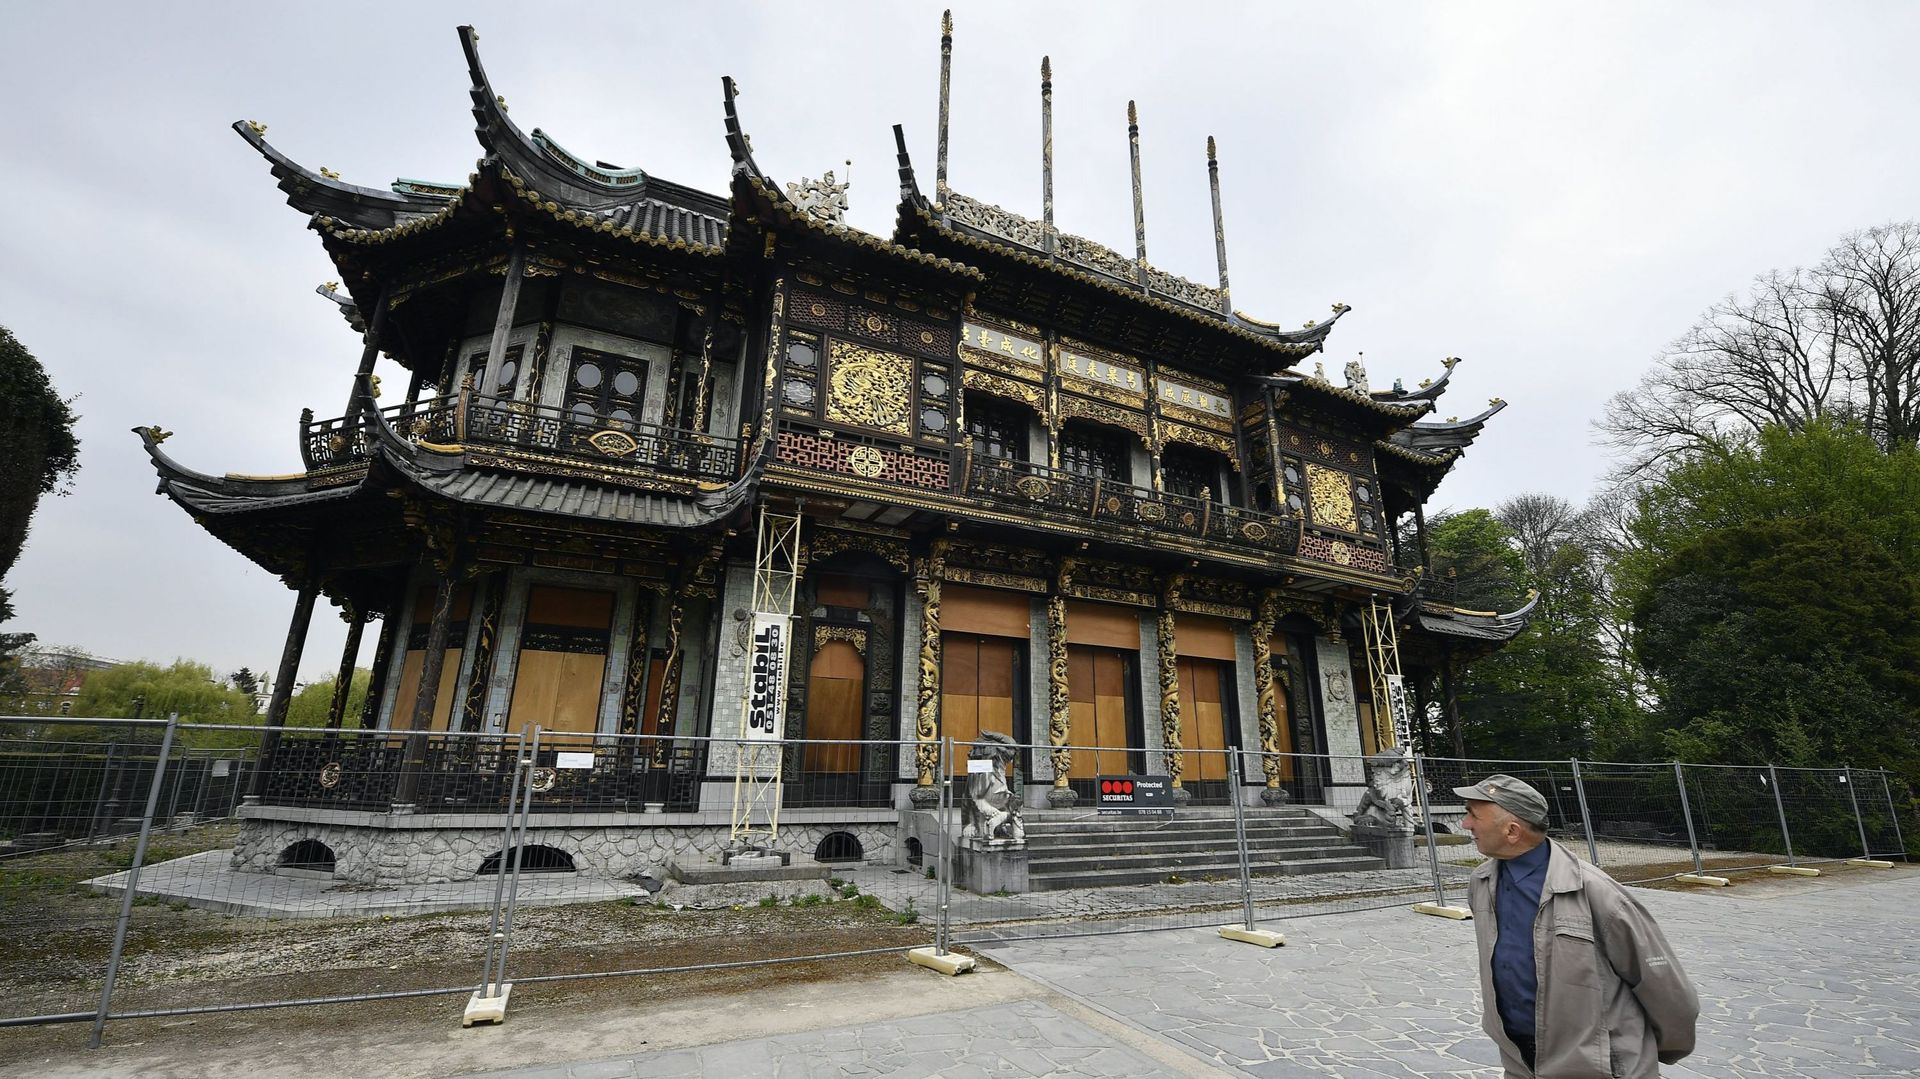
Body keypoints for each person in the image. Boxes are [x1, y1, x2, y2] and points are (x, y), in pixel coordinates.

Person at [1454, 774, 1699, 1078]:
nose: (1465, 824)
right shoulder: (1482, 882)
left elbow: (1666, 988)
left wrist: (1640, 1055)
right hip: (1520, 1064)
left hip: (1601, 1070)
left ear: (1512, 831)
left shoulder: (1598, 893)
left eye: (1473, 815)